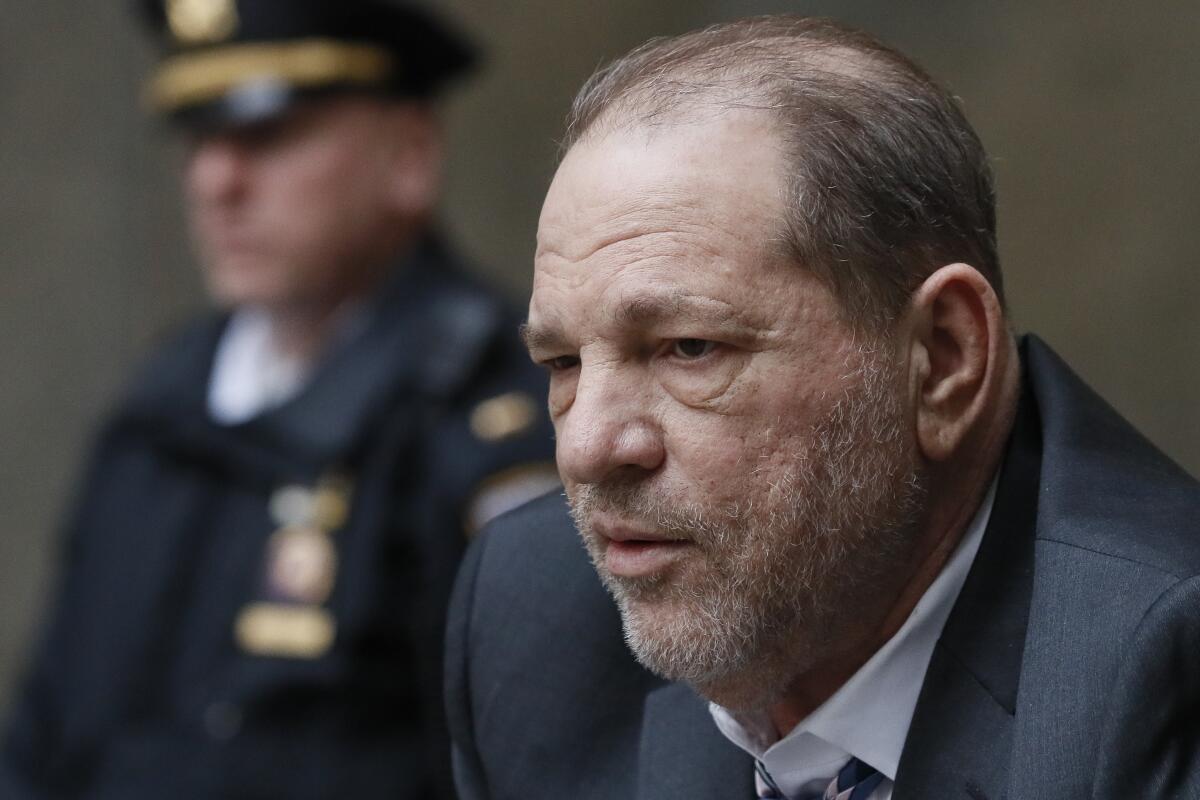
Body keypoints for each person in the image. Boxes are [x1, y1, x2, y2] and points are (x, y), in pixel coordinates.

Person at [444, 15, 1200, 800]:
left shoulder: (1160, 669)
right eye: (562, 362)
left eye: (689, 348)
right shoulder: (534, 611)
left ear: (942, 358)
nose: (586, 448)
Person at [2, 1, 557, 798]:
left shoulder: (489, 420)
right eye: (198, 136)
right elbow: (46, 729)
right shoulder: (162, 402)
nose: (214, 180)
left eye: (267, 136)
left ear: (409, 153)